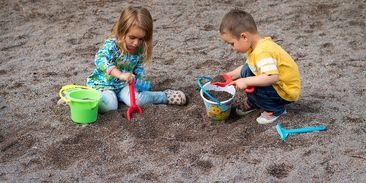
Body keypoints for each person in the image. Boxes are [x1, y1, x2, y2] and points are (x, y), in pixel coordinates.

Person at [86, 6, 186, 113]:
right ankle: (85, 98)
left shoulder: (139, 48)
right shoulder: (112, 45)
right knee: (110, 106)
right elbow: (100, 59)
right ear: (121, 32)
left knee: (138, 100)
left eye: (141, 39)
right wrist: (119, 74)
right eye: (132, 37)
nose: (136, 43)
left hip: (124, 85)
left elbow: (138, 66)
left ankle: (164, 96)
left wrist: (137, 80)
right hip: (103, 85)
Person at [219, 9, 301, 124]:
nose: (232, 48)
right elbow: (248, 67)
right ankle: (255, 103)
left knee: (253, 82)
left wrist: (246, 81)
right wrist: (230, 75)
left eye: (232, 44)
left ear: (244, 37)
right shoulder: (256, 47)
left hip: (285, 90)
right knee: (247, 70)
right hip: (278, 85)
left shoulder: (263, 51)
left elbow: (271, 77)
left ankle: (275, 110)